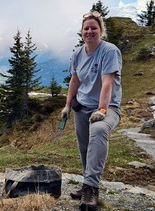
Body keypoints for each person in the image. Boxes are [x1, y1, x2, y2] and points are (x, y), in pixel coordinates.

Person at [61, 11, 122, 210]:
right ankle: (87, 185)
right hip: (83, 106)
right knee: (84, 148)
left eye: (94, 28)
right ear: (81, 32)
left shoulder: (109, 51)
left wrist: (102, 110)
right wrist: (68, 105)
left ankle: (91, 189)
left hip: (108, 107)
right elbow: (75, 80)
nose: (89, 31)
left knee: (98, 130)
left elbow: (107, 83)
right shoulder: (78, 53)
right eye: (86, 28)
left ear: (101, 31)